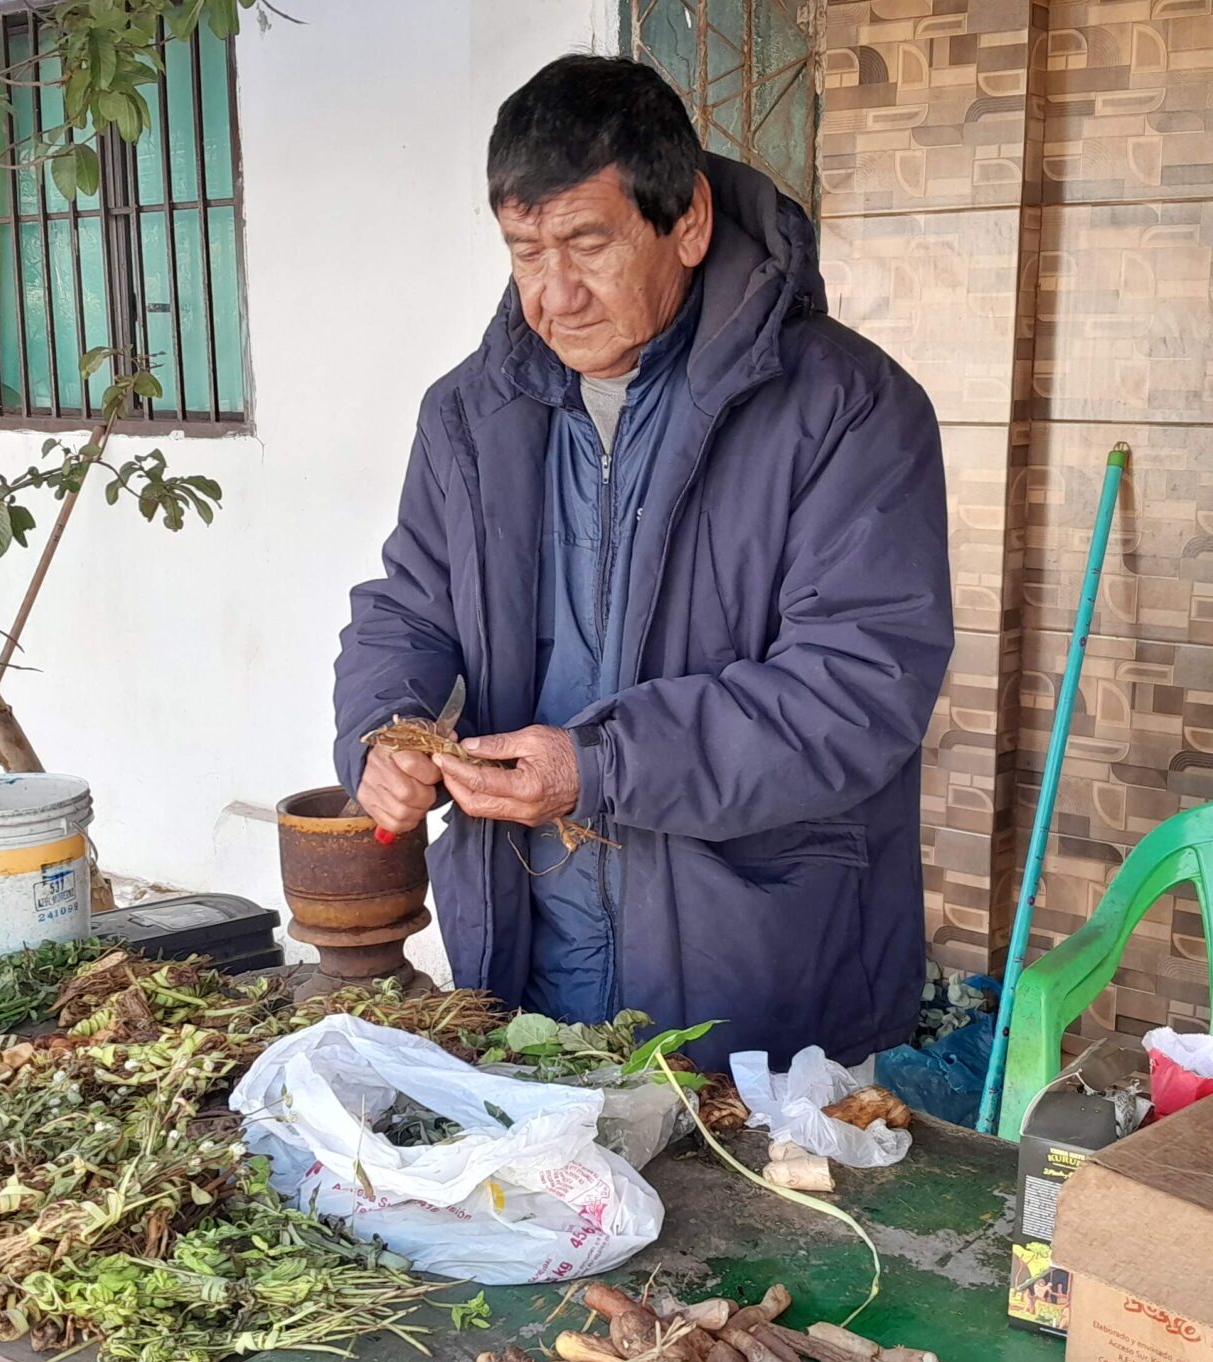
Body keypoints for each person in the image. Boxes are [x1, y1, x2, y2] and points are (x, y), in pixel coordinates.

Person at [332, 55, 950, 1071]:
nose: (554, 295)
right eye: (525, 252)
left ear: (689, 222)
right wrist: (378, 732)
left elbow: (856, 690)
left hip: (756, 997)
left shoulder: (847, 410)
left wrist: (600, 767)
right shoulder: (470, 414)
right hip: (524, 973)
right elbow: (410, 605)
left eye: (587, 244)